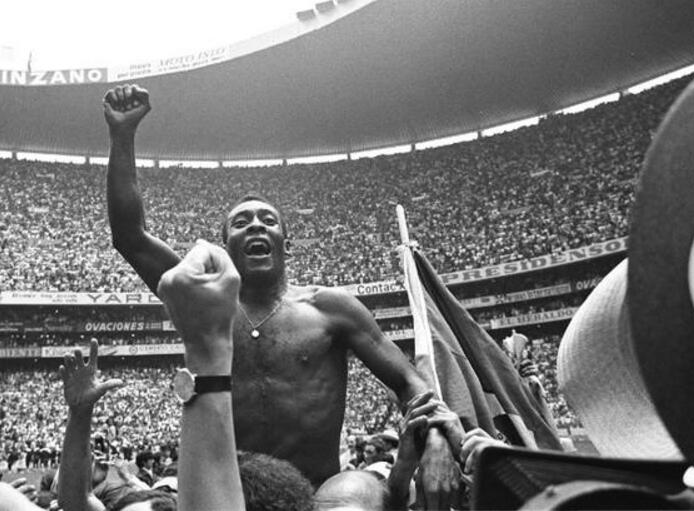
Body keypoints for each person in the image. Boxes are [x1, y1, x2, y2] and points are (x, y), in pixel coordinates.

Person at [103, 83, 456, 489]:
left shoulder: (331, 308)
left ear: (286, 244)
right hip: (229, 493)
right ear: (226, 245)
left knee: (358, 495)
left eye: (268, 220)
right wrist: (122, 134)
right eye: (242, 222)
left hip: (317, 495)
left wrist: (435, 435)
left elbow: (409, 380)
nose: (256, 224)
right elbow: (130, 237)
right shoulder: (203, 299)